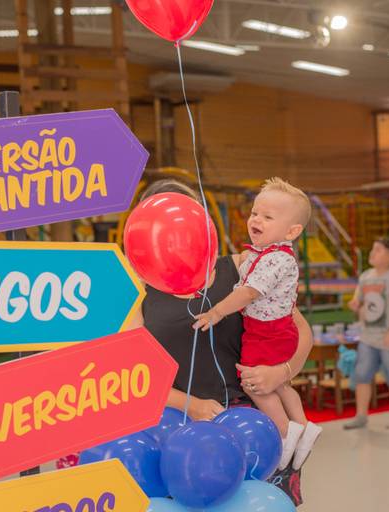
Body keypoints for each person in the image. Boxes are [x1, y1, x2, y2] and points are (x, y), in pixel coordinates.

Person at [128, 179, 313, 506]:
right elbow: (135, 374)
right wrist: (191, 405)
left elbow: (301, 332)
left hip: (256, 425)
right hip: (180, 433)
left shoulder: (244, 267)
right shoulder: (136, 295)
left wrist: (281, 373)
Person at [193, 177, 322, 470]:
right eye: (254, 213)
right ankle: (303, 426)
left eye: (267, 217)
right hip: (272, 331)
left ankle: (286, 433)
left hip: (267, 333)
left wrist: (216, 312)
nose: (256, 220)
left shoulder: (273, 259)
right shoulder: (262, 256)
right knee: (280, 387)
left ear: (292, 231)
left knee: (254, 385)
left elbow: (249, 293)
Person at [343, 237, 389, 430]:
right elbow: (360, 301)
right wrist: (356, 305)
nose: (373, 253)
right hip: (368, 337)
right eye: (373, 249)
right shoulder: (365, 277)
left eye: (378, 250)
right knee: (362, 375)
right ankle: (361, 416)